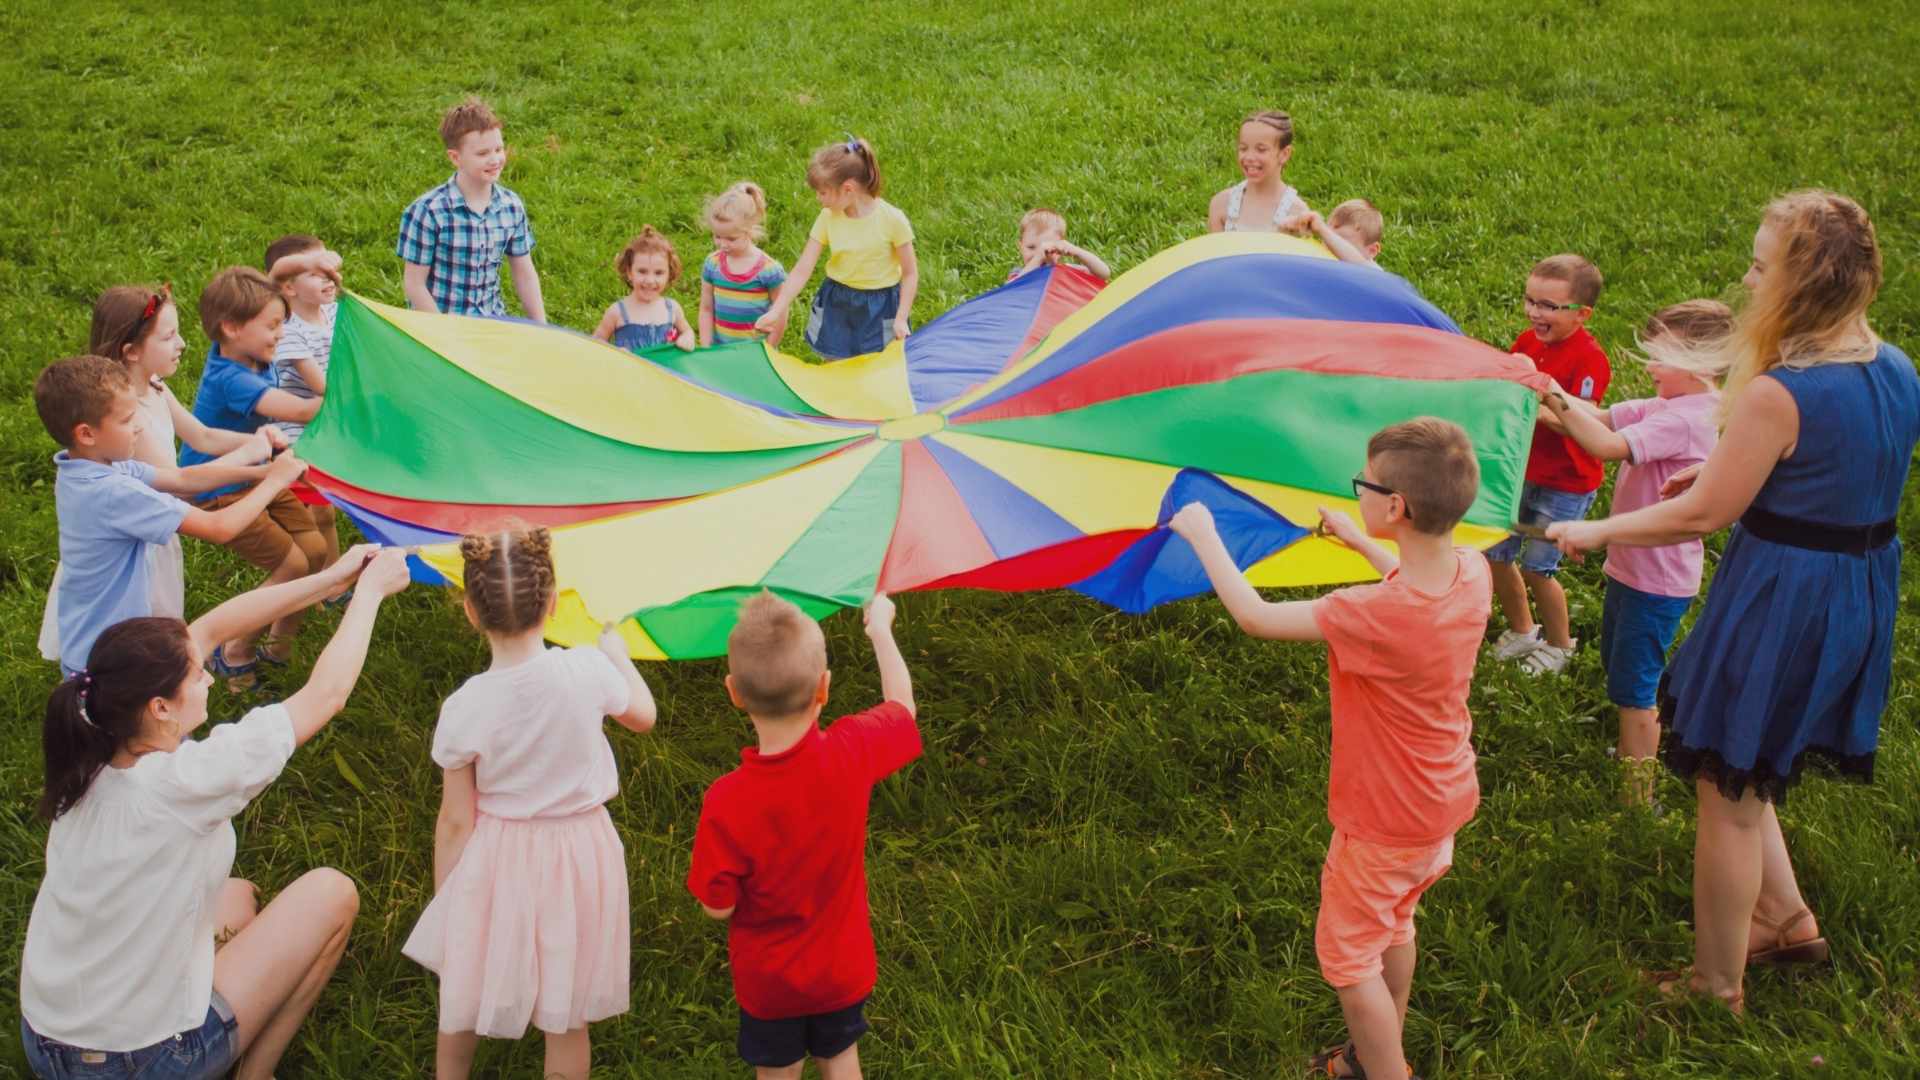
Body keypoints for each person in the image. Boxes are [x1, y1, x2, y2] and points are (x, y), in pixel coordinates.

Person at [1549, 190, 1920, 1012]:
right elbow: (1836, 478)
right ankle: (1785, 918)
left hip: (1784, 598)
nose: (1748, 279)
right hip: (1854, 591)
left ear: (1799, 285)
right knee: (1745, 766)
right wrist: (1728, 477)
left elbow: (1701, 514)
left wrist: (1598, 531)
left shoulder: (1776, 392)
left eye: (1760, 266)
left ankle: (1715, 985)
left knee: (1726, 801)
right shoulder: (1894, 366)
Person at [1170, 418, 1488, 1080]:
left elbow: (1255, 617)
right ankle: (1383, 1045)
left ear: (1395, 507)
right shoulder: (1472, 572)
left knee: (1348, 959)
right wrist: (1356, 541)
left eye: (1364, 486)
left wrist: (1201, 534)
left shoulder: (1372, 615)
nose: (1359, 495)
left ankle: (1386, 1071)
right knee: (1396, 923)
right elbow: (1410, 574)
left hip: (1383, 819)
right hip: (1443, 799)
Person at [18, 545, 410, 1080]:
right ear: (159, 708)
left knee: (239, 896)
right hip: (138, 1061)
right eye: (198, 675)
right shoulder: (186, 782)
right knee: (330, 893)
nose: (207, 676)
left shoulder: (90, 758)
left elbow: (209, 628)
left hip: (47, 1038)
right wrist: (368, 594)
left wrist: (333, 577)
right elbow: (326, 695)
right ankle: (257, 1072)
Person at [403, 528, 658, 1080]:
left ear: (471, 611)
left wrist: (449, 898)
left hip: (499, 859)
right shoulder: (587, 670)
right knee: (566, 1014)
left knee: (467, 974)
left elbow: (454, 819)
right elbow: (644, 716)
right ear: (551, 601)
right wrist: (617, 655)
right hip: (580, 855)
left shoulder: (465, 706)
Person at [687, 591, 920, 1080]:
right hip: (843, 970)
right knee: (841, 1060)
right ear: (824, 687)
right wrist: (880, 629)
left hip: (770, 985)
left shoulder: (726, 800)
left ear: (734, 691)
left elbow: (717, 906)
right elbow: (902, 706)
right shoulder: (851, 752)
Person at [1538, 299, 1732, 804]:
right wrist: (1547, 392)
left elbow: (1603, 445)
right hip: (1633, 567)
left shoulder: (1687, 419)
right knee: (1622, 666)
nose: (1649, 366)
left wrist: (1553, 398)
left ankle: (1637, 799)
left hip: (1656, 578)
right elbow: (1600, 417)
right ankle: (1635, 748)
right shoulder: (1673, 403)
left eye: (1661, 357)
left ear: (1705, 364)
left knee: (1635, 686)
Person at [38, 287, 288, 664]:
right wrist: (272, 479)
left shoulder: (109, 452)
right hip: (135, 562)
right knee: (153, 649)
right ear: (131, 351)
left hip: (138, 541)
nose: (183, 343)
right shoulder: (115, 480)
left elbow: (195, 453)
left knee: (152, 650)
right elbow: (210, 518)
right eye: (169, 335)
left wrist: (263, 455)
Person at [181, 264, 345, 686]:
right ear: (232, 328)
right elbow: (304, 410)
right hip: (221, 490)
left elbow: (278, 272)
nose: (279, 334)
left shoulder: (251, 352)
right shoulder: (232, 378)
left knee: (311, 551)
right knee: (292, 564)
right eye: (272, 326)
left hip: (259, 475)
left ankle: (277, 642)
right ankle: (232, 647)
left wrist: (317, 267)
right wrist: (357, 384)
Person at [1486, 253, 1611, 674]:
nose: (1534, 313)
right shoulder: (1526, 343)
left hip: (1565, 484)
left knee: (1539, 568)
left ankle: (1560, 644)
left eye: (1548, 306)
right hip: (1520, 472)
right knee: (1497, 555)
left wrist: (1532, 406)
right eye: (1530, 301)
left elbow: (1583, 422)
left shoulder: (1589, 359)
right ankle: (1523, 630)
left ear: (1583, 314)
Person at [753, 136, 918, 360]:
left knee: (878, 367)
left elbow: (910, 274)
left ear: (847, 189)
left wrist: (901, 317)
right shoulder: (828, 217)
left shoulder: (893, 220)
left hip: (881, 307)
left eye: (823, 192)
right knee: (835, 364)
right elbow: (803, 268)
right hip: (838, 302)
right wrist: (777, 309)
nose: (818, 199)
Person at [397, 96, 545, 321]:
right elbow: (414, 284)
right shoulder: (428, 212)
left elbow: (524, 273)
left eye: (498, 149)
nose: (495, 159)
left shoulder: (511, 207)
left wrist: (541, 327)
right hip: (439, 327)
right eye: (483, 154)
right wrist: (444, 335)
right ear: (455, 158)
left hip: (490, 323)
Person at [699, 182, 789, 348]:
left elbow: (780, 313)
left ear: (750, 230)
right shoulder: (712, 264)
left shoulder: (769, 271)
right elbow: (706, 308)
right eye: (717, 236)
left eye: (731, 238)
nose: (723, 244)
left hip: (755, 353)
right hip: (720, 350)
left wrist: (768, 350)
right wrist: (706, 346)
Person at [592, 227, 696, 354]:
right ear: (629, 272)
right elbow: (596, 342)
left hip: (661, 372)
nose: (650, 280)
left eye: (659, 273)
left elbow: (687, 331)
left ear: (669, 274)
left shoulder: (672, 308)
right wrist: (615, 352)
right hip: (628, 371)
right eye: (642, 271)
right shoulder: (617, 312)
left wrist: (687, 338)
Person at [1207, 110, 1311, 233]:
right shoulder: (1221, 204)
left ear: (1284, 154)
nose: (1249, 157)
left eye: (1261, 150)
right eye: (1243, 148)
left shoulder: (1297, 212)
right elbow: (1215, 250)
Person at [1009, 207, 1111, 282]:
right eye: (1031, 247)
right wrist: (1038, 258)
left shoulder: (1069, 271)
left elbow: (1104, 274)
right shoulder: (1018, 274)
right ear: (1020, 247)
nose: (1039, 254)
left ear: (1060, 249)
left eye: (1048, 249)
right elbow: (1008, 292)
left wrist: (1076, 251)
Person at [1282, 199, 1384, 265]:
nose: (1330, 246)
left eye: (1340, 241)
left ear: (1372, 251)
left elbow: (1359, 266)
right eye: (1327, 239)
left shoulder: (1374, 274)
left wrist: (1322, 229)